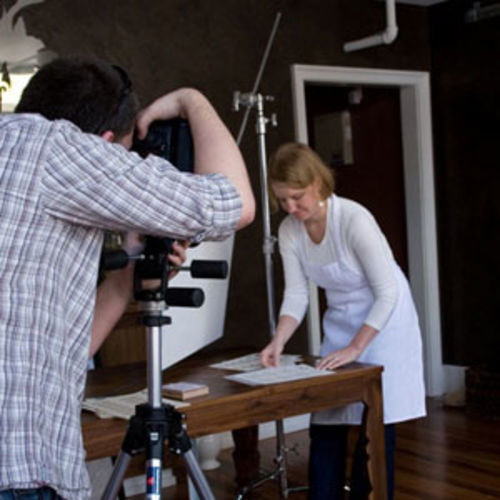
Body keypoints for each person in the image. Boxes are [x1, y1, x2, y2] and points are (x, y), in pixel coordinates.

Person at [0, 56, 255, 500]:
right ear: (101, 145)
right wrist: (192, 100)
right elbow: (233, 202)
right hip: (17, 471)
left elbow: (54, 351)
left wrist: (125, 279)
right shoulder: (57, 149)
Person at [260, 143, 426, 499]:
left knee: (375, 427)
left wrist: (356, 347)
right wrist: (278, 341)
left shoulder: (353, 219)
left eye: (297, 197)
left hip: (386, 321)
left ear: (318, 183)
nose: (291, 208)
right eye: (282, 199)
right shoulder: (290, 230)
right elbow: (297, 295)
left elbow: (387, 292)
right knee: (326, 421)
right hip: (341, 320)